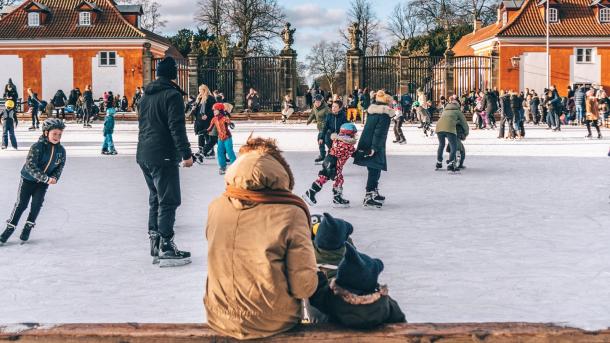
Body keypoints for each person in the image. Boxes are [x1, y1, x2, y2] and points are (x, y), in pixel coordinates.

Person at [205, 136, 319, 340]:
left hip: (219, 316)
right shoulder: (291, 213)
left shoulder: (216, 206)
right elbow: (304, 286)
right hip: (273, 319)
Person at [136, 57, 193, 267]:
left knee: (156, 197)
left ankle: (155, 242)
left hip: (144, 155)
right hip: (163, 154)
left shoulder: (145, 97)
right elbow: (176, 128)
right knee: (169, 200)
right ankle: (166, 246)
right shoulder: (172, 95)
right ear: (173, 75)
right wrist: (186, 154)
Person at [309, 243, 406, 328]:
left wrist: (317, 273)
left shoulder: (331, 299)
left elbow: (316, 292)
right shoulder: (386, 304)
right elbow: (402, 325)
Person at [0, 119, 66, 244]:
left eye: (59, 134)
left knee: (37, 204)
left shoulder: (61, 151)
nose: (57, 136)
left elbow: (60, 167)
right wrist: (46, 178)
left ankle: (28, 226)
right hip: (28, 180)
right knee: (21, 204)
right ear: (46, 133)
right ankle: (10, 228)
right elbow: (30, 166)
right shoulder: (37, 147)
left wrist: (55, 178)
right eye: (54, 133)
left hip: (42, 184)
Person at [303, 122, 358, 208]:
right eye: (353, 134)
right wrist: (364, 153)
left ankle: (314, 193)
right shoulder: (346, 145)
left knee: (328, 178)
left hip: (329, 160)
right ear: (348, 134)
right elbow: (354, 153)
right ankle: (314, 193)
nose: (355, 136)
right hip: (334, 163)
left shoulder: (338, 140)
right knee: (335, 179)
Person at [353, 91, 392, 208]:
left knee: (375, 168)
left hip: (367, 143)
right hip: (375, 145)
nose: (391, 102)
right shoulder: (384, 114)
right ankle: (368, 197)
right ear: (386, 101)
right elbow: (379, 132)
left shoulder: (373, 111)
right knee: (375, 169)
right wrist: (374, 148)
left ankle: (374, 192)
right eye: (390, 100)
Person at [435, 96, 469, 172]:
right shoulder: (458, 111)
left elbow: (446, 119)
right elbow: (464, 123)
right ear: (458, 106)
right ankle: (450, 164)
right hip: (450, 129)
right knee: (453, 146)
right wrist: (466, 133)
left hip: (439, 128)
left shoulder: (445, 110)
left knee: (441, 145)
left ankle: (439, 162)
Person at [207, 103, 236, 175]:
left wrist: (231, 124)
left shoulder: (224, 118)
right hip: (220, 138)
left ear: (220, 110)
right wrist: (204, 131)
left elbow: (230, 123)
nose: (214, 112)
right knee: (220, 152)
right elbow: (210, 128)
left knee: (229, 151)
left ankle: (235, 166)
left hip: (227, 137)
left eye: (215, 110)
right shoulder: (214, 119)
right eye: (213, 110)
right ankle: (222, 167)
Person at [193, 85, 216, 156]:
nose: (199, 91)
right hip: (199, 121)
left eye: (201, 90)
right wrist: (194, 109)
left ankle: (210, 151)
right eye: (199, 90)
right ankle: (201, 150)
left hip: (207, 121)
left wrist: (207, 115)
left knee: (207, 136)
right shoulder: (199, 98)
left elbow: (213, 109)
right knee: (200, 135)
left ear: (205, 90)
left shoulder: (210, 98)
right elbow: (196, 111)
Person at [307, 94, 330, 164]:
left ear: (322, 101)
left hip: (326, 128)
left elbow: (329, 118)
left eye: (319, 102)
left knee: (324, 140)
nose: (317, 103)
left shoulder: (326, 109)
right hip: (320, 127)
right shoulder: (315, 108)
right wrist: (309, 120)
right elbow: (313, 114)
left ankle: (329, 155)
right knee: (322, 140)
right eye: (316, 102)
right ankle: (324, 155)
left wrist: (328, 126)